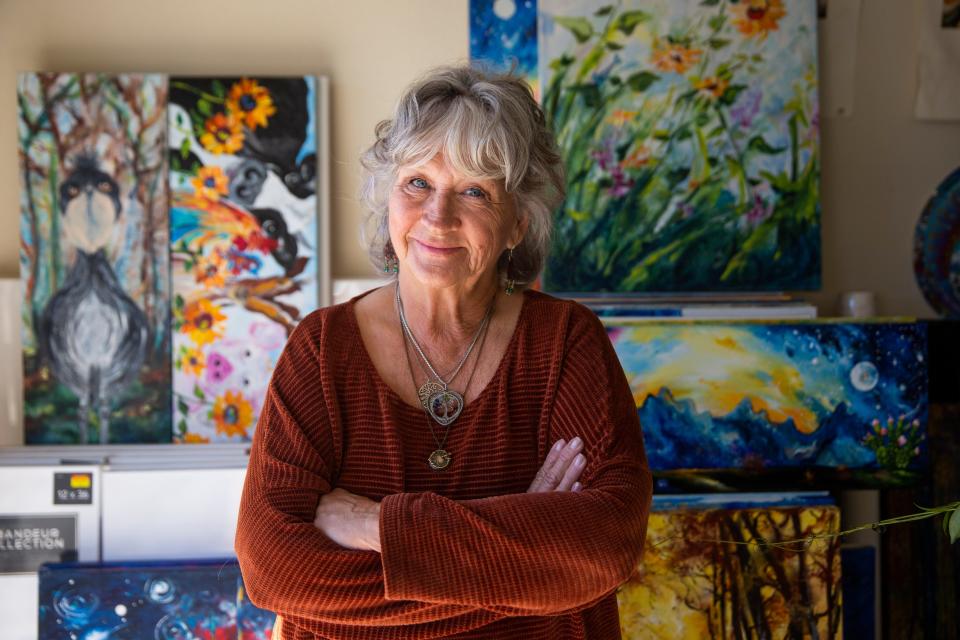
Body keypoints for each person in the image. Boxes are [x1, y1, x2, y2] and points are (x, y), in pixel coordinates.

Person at [235, 65, 653, 639]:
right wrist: (527, 568)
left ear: (517, 225)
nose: (438, 216)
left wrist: (376, 524)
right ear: (389, 197)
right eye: (417, 184)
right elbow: (275, 571)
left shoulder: (565, 342)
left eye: (475, 191)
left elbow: (607, 548)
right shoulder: (322, 350)